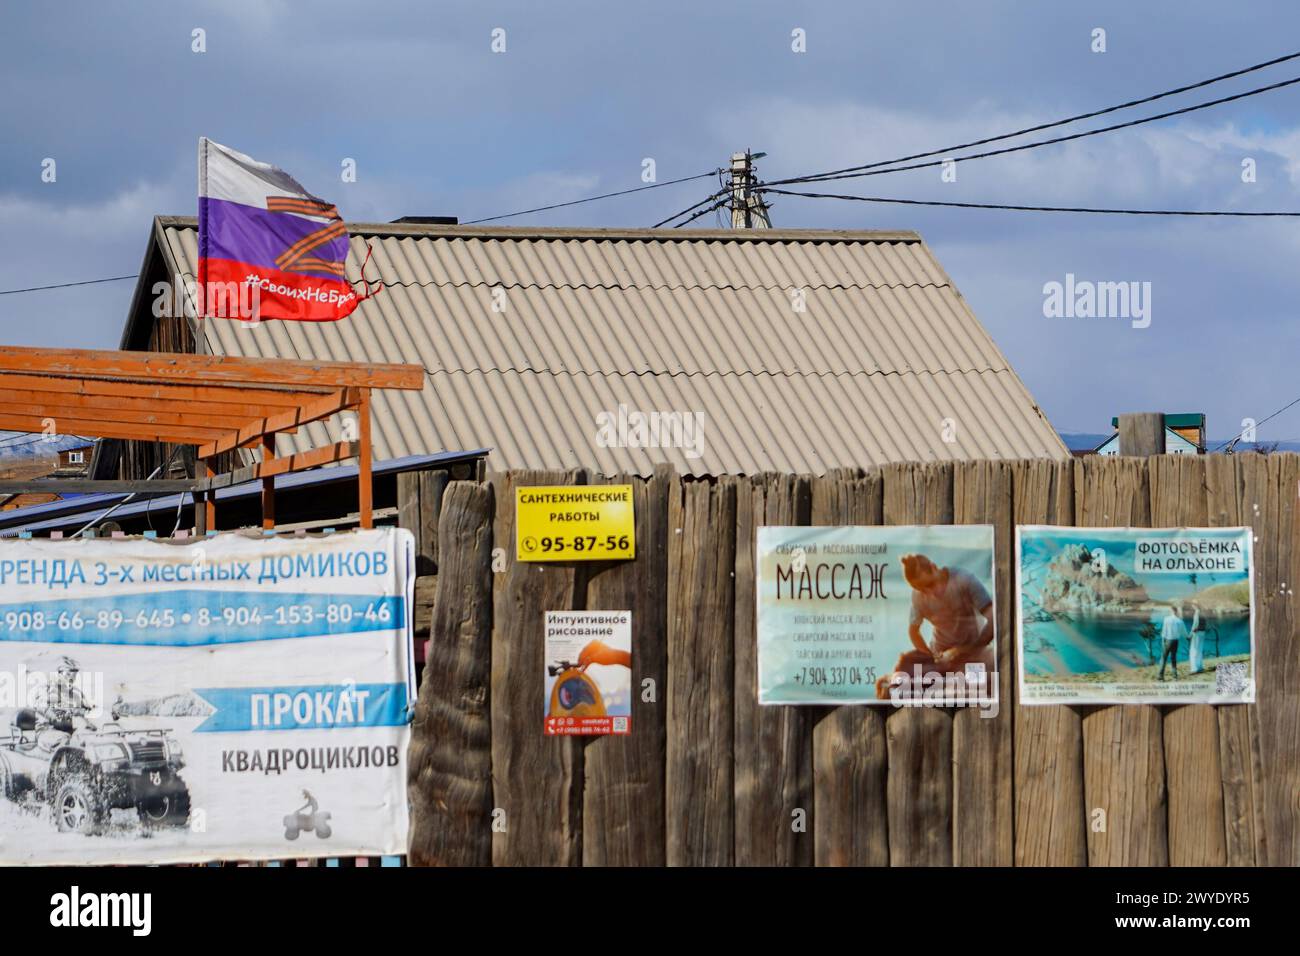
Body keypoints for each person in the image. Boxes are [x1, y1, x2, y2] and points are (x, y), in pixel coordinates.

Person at [1158, 604, 1187, 681]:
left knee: (1163, 658)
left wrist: (1163, 641)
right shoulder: (1180, 621)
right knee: (1173, 658)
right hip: (1175, 641)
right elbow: (1184, 632)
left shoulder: (1166, 619)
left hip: (1168, 640)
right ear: (1176, 611)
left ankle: (1161, 677)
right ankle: (1175, 676)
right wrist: (1188, 637)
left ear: (1171, 611)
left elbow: (1164, 631)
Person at [1185, 600, 1205, 674]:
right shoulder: (1202, 613)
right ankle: (1200, 667)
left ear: (1195, 605)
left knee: (1193, 650)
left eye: (1192, 604)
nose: (1192, 606)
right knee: (1199, 650)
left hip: (1197, 633)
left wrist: (1190, 635)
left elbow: (1195, 625)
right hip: (1202, 633)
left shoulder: (1197, 613)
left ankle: (1194, 669)